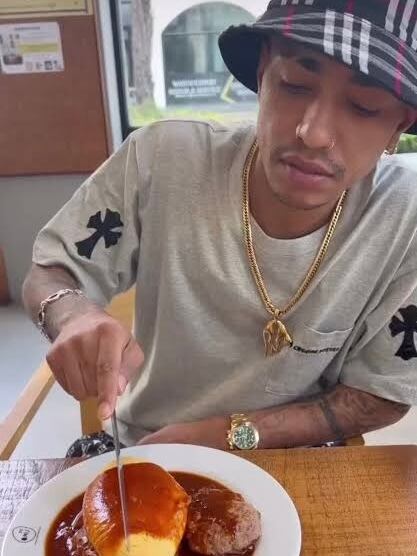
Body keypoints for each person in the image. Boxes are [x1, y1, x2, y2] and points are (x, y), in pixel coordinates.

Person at [23, 0, 417, 451]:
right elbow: (51, 271)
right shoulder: (162, 161)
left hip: (299, 458)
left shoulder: (403, 218)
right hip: (147, 446)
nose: (313, 133)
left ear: (398, 125)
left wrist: (235, 434)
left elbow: (384, 392)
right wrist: (72, 315)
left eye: (364, 107)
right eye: (294, 84)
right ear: (264, 72)